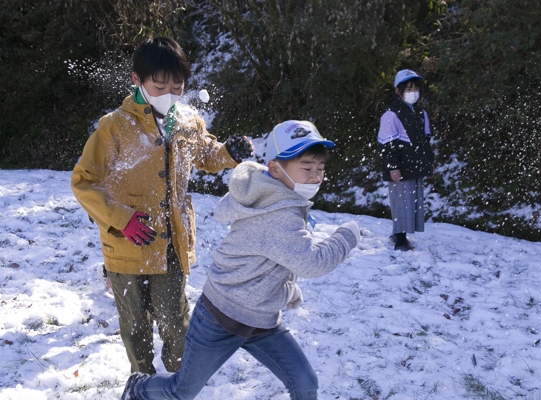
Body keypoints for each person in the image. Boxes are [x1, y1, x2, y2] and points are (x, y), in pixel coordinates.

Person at [120, 120, 361, 400]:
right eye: (306, 168)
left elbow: (270, 256)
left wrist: (282, 289)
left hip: (261, 320)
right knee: (181, 391)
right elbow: (312, 263)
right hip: (220, 318)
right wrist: (346, 237)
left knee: (305, 383)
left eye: (320, 169)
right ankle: (137, 388)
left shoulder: (273, 195)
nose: (315, 176)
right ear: (275, 168)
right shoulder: (279, 212)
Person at [71, 37, 253, 375]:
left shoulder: (187, 121)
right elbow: (84, 181)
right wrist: (120, 219)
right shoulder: (114, 127)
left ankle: (179, 381)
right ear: (137, 80)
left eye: (177, 86)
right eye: (159, 84)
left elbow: (206, 155)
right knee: (136, 325)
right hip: (126, 248)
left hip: (171, 243)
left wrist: (230, 152)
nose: (169, 92)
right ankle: (142, 379)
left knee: (175, 320)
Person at [377, 69, 434, 251]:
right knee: (401, 202)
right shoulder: (391, 114)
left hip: (416, 165)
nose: (413, 92)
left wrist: (429, 163)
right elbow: (387, 144)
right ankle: (400, 240)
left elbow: (426, 141)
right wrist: (393, 167)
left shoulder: (421, 113)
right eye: (408, 88)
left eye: (415, 88)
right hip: (400, 167)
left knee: (413, 201)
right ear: (397, 91)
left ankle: (401, 235)